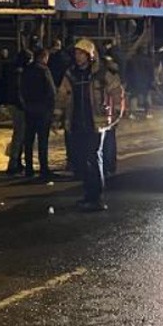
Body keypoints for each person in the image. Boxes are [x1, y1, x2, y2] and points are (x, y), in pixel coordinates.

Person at [57, 39, 126, 212]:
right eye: (76, 53)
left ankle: (96, 197)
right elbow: (62, 95)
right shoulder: (71, 74)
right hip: (77, 122)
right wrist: (57, 115)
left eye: (81, 53)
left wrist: (116, 112)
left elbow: (117, 91)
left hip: (96, 122)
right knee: (81, 159)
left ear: (90, 55)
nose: (78, 57)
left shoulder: (101, 74)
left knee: (93, 158)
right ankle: (88, 194)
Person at [19, 47, 57, 179]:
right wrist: (51, 108)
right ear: (43, 57)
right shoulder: (44, 71)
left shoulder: (27, 70)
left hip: (29, 108)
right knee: (42, 140)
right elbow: (51, 91)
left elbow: (21, 88)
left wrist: (25, 103)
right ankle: (43, 167)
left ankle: (29, 167)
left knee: (29, 139)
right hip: (42, 110)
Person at [0, 48, 30, 175]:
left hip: (13, 104)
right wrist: (24, 105)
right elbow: (18, 91)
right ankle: (13, 162)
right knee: (19, 134)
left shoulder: (11, 70)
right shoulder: (19, 73)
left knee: (19, 134)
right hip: (18, 106)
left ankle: (15, 161)